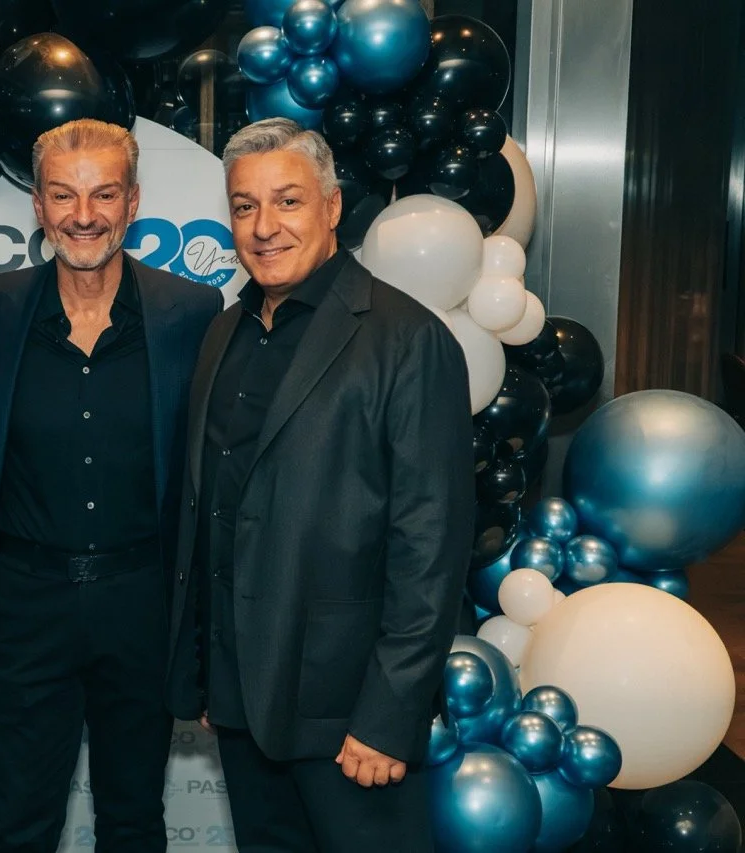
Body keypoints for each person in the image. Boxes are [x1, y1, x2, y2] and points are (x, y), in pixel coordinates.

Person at [165, 117, 473, 852]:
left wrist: (388, 715)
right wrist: (209, 673)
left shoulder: (407, 339)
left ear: (332, 207)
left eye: (288, 201)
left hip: (349, 717)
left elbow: (430, 546)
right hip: (244, 699)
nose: (264, 226)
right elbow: (216, 510)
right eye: (245, 206)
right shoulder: (225, 332)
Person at [0, 118, 222, 852]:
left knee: (134, 820)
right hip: (26, 604)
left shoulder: (192, 312)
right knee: (20, 825)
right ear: (38, 205)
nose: (84, 215)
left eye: (104, 194)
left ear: (133, 202)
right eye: (63, 194)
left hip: (142, 603)